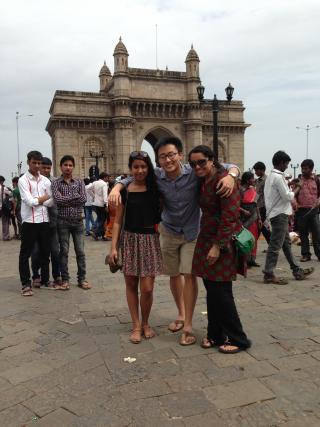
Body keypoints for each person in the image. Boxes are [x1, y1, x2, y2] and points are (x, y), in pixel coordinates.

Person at [109, 136, 240, 345]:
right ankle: (180, 314)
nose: (168, 160)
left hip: (191, 231)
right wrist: (117, 186)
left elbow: (229, 166)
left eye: (171, 155)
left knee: (189, 274)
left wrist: (232, 176)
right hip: (168, 230)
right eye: (162, 157)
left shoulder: (195, 171)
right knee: (173, 274)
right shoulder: (157, 176)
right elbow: (134, 176)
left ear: (179, 154)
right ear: (158, 161)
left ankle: (187, 324)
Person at [189, 145, 251, 354]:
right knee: (212, 291)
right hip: (206, 237)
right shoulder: (203, 180)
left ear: (212, 160)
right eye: (193, 163)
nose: (197, 166)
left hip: (221, 242)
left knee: (222, 293)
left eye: (201, 162)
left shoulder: (224, 181)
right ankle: (215, 334)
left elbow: (230, 217)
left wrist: (218, 246)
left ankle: (239, 339)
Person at [109, 151, 162, 344]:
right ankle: (136, 325)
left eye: (143, 166)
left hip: (150, 240)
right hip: (129, 240)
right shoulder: (125, 190)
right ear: (130, 169)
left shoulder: (157, 188)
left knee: (147, 288)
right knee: (131, 284)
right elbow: (117, 221)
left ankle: (146, 322)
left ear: (149, 167)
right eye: (136, 167)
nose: (140, 170)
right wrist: (114, 248)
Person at [263, 151, 314, 285]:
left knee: (286, 244)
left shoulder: (271, 176)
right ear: (281, 163)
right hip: (279, 214)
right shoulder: (278, 177)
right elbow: (287, 196)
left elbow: (278, 193)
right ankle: (268, 273)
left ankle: (297, 270)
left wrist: (290, 184)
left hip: (277, 213)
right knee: (275, 245)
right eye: (286, 164)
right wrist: (298, 187)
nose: (287, 166)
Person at [52, 155, 91, 290]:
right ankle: (65, 280)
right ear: (61, 166)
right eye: (65, 165)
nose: (68, 167)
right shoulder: (56, 182)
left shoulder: (80, 182)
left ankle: (82, 279)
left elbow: (84, 199)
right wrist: (75, 197)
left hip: (78, 222)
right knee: (64, 252)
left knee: (80, 252)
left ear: (73, 167)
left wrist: (67, 199)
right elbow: (57, 200)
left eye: (70, 165)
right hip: (62, 222)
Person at [18, 151, 53, 296]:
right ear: (28, 162)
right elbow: (29, 201)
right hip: (29, 221)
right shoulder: (23, 180)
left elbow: (51, 202)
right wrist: (43, 198)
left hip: (44, 220)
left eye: (39, 163)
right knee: (25, 254)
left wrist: (39, 200)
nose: (37, 166)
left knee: (45, 252)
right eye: (34, 163)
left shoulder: (45, 180)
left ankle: (45, 280)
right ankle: (26, 284)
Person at [31, 157, 61, 288]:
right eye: (44, 167)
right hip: (37, 222)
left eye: (48, 168)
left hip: (53, 222)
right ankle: (36, 275)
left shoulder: (55, 182)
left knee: (55, 251)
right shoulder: (34, 182)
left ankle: (57, 275)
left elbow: (57, 200)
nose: (46, 170)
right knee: (37, 251)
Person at [294, 159, 320, 261]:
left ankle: (318, 254)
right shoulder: (298, 180)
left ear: (311, 169)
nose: (303, 171)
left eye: (306, 169)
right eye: (302, 168)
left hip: (314, 210)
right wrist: (295, 204)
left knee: (316, 233)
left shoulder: (317, 180)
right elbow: (293, 194)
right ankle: (305, 255)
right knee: (303, 234)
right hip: (301, 211)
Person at [240, 171, 261, 267]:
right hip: (243, 218)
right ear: (247, 180)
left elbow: (256, 205)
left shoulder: (253, 190)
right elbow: (235, 204)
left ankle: (252, 259)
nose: (254, 180)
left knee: (254, 239)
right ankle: (245, 261)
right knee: (244, 240)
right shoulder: (240, 190)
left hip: (253, 218)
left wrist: (259, 218)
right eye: (252, 178)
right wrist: (244, 211)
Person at [253, 162, 271, 244]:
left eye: (256, 170)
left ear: (262, 170)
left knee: (261, 227)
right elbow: (257, 193)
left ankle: (253, 243)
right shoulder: (257, 181)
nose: (255, 172)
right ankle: (270, 244)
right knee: (261, 227)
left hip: (264, 206)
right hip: (258, 206)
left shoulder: (267, 180)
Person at [91, 172, 109, 240]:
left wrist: (94, 196)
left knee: (100, 218)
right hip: (102, 204)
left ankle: (103, 235)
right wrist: (106, 205)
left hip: (96, 203)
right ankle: (96, 232)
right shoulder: (104, 184)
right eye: (107, 177)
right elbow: (105, 195)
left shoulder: (95, 182)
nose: (108, 179)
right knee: (103, 220)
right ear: (104, 177)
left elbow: (88, 189)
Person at [0, 176, 12, 241]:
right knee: (6, 222)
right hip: (4, 207)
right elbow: (11, 194)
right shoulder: (4, 188)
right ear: (2, 181)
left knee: (3, 222)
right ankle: (6, 236)